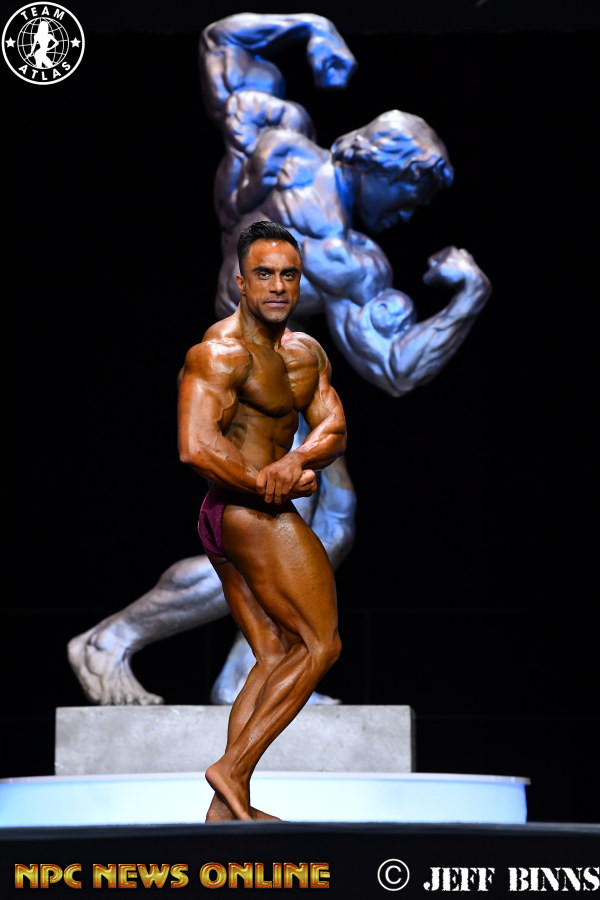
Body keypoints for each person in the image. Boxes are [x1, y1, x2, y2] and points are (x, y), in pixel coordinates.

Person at [68, 14, 490, 708]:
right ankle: (110, 640)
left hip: (259, 382)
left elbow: (222, 41)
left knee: (333, 521)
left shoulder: (275, 141)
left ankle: (246, 673)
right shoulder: (344, 256)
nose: (411, 214)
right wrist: (468, 299)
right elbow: (395, 369)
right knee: (263, 536)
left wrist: (311, 29)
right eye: (413, 195)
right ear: (387, 170)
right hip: (242, 385)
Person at [179, 220, 346, 821]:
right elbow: (195, 446)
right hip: (247, 511)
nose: (277, 286)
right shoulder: (219, 352)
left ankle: (227, 808)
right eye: (264, 274)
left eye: (288, 275)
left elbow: (334, 427)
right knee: (320, 644)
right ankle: (233, 770)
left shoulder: (306, 353)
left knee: (275, 654)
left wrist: (298, 459)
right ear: (241, 282)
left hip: (234, 515)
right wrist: (269, 484)